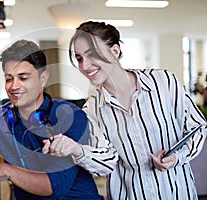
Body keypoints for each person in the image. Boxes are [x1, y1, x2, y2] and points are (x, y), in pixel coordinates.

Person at [42, 21, 207, 199]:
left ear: (115, 51)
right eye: (80, 58)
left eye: (92, 55)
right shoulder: (91, 110)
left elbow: (197, 127)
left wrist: (177, 158)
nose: (85, 66)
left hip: (178, 193)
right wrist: (75, 149)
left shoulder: (163, 82)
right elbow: (105, 163)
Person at [0, 39, 103, 200]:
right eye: (9, 79)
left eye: (23, 77)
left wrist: (4, 170)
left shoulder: (71, 117)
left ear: (43, 79)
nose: (14, 86)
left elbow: (52, 186)